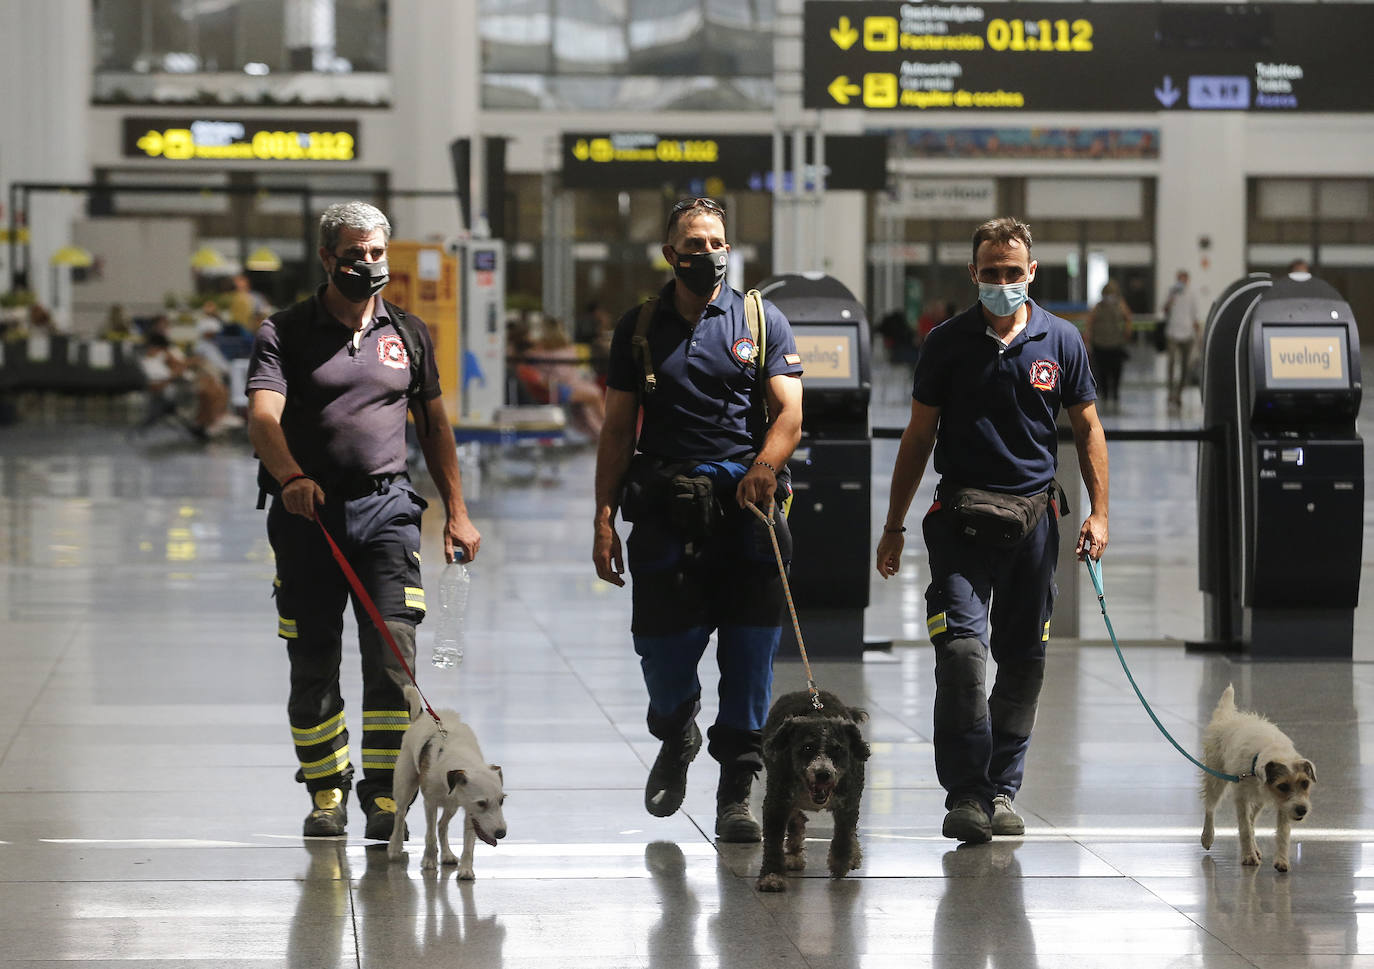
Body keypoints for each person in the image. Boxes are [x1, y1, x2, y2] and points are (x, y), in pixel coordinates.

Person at [246, 201, 481, 840]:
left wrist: (457, 512)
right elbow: (264, 419)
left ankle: (383, 795)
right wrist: (291, 476)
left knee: (392, 661)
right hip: (308, 516)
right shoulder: (284, 333)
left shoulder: (407, 334)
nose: (369, 265)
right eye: (356, 255)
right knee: (313, 659)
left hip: (388, 514)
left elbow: (434, 426)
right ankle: (326, 791)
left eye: (377, 253)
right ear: (327, 259)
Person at [875, 216, 1109, 844]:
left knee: (1024, 662)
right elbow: (919, 435)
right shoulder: (946, 343)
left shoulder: (1061, 341)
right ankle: (966, 794)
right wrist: (894, 525)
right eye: (991, 273)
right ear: (973, 273)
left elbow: (1087, 429)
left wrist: (1099, 512)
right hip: (959, 523)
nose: (1002, 282)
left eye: (1014, 273)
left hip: (1034, 525)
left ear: (1032, 273)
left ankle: (1003, 788)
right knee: (959, 655)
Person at [592, 197, 804, 843]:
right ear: (669, 254)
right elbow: (616, 431)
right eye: (693, 243)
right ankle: (676, 727)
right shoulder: (638, 328)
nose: (707, 253)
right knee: (662, 653)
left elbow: (789, 414)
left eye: (716, 241)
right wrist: (603, 518)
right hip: (665, 516)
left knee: (749, 660)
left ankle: (736, 791)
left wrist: (765, 465)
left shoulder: (761, 320)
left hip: (746, 514)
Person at [527, 315, 605, 438]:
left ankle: (598, 430)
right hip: (557, 387)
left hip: (561, 386)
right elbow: (563, 376)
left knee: (591, 397)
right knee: (594, 396)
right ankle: (605, 428)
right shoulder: (561, 349)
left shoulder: (541, 351)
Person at [1083, 279, 1133, 410]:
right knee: (1102, 372)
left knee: (1116, 371)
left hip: (1116, 344)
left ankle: (1115, 394)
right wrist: (1088, 338)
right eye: (1107, 293)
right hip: (1100, 344)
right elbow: (1089, 322)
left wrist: (1127, 332)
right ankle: (1105, 395)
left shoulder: (1120, 305)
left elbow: (1128, 318)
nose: (1109, 297)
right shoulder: (1098, 306)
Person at [1162, 269, 1200, 408]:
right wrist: (1171, 299)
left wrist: (1199, 336)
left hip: (1187, 334)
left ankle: (1179, 393)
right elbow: (1164, 310)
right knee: (1171, 363)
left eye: (1184, 279)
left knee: (1185, 366)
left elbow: (1195, 316)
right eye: (1180, 279)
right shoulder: (1171, 292)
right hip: (1172, 333)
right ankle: (1170, 392)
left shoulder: (1192, 294)